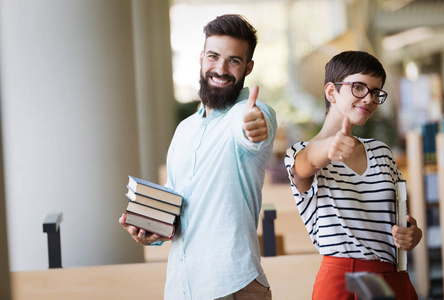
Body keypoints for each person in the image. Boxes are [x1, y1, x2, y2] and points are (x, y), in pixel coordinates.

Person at [120, 14, 277, 300]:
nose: (220, 68)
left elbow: (251, 130)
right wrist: (150, 226)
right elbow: (175, 200)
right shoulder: (185, 130)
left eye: (234, 60)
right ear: (202, 57)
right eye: (214, 56)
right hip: (182, 286)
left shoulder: (251, 114)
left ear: (248, 67)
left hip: (233, 286)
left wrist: (253, 126)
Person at [284, 50, 422, 300]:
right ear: (331, 92)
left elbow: (402, 217)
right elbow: (305, 166)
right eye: (358, 87)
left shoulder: (381, 152)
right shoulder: (300, 153)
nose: (368, 98)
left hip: (391, 277)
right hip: (341, 280)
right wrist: (329, 148)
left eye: (376, 92)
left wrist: (412, 234)